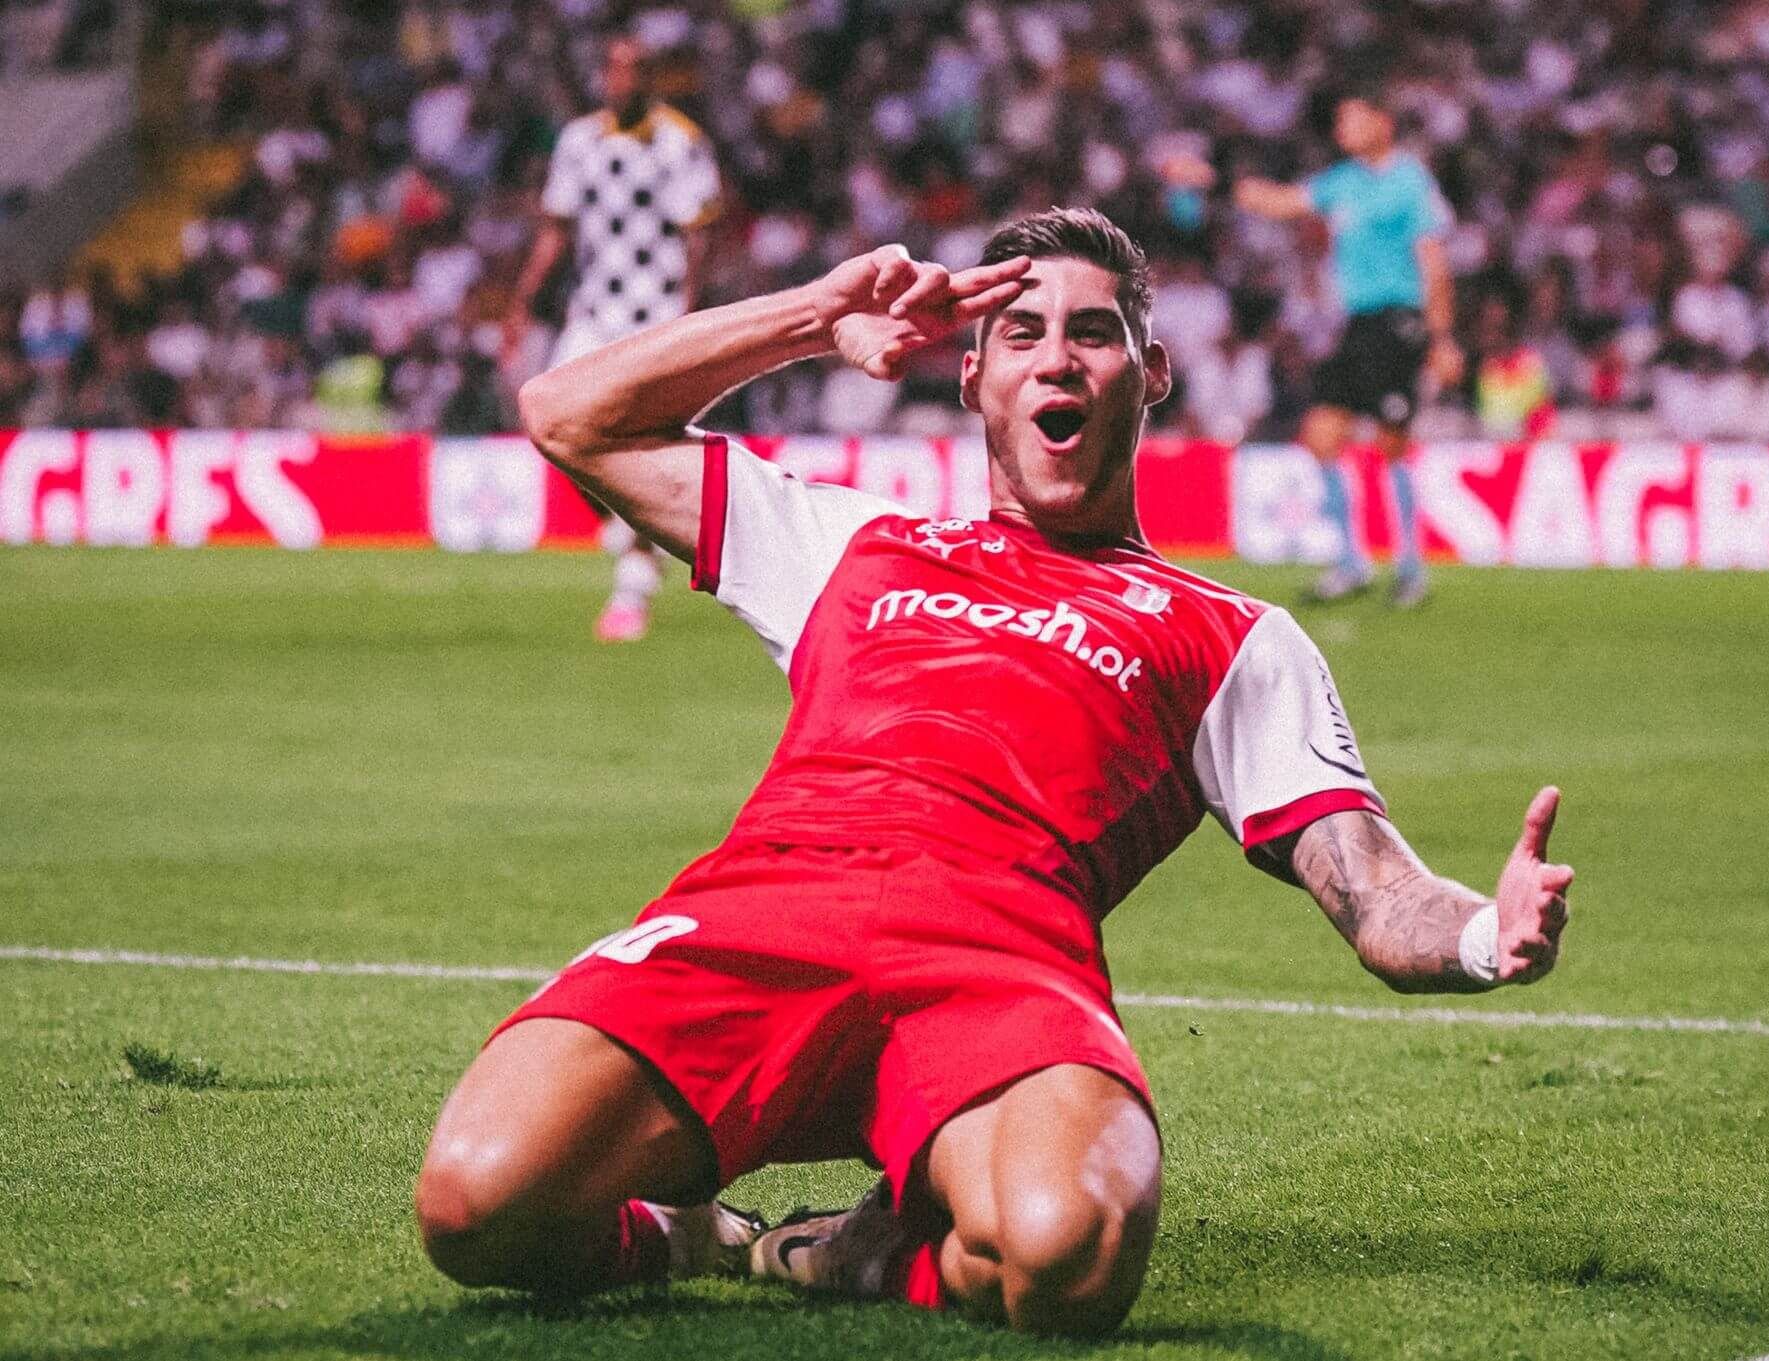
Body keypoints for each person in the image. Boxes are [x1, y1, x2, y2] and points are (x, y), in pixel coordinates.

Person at [415, 209, 1574, 1336]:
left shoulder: (1229, 632)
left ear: (1148, 370)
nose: (1055, 356)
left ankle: (858, 1247)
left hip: (999, 965)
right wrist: (816, 317)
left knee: (1068, 1255)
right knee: (472, 1202)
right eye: (1020, 332)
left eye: (1091, 331)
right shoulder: (853, 544)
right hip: (759, 917)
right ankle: (685, 1235)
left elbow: (1374, 891)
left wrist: (1484, 933)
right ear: (970, 377)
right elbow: (569, 414)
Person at [1175, 93, 1462, 607]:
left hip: (1398, 321)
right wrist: (1213, 181)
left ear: (1383, 122)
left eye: (1354, 117)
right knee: (1322, 435)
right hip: (1356, 326)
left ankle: (1411, 567)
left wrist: (1441, 337)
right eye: (1340, 119)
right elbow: (1279, 201)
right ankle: (1353, 562)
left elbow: (1434, 263)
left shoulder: (1409, 181)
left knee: (1391, 442)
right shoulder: (1343, 183)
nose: (1344, 128)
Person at [508, 33, 721, 643]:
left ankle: (632, 588)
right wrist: (521, 304)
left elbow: (699, 236)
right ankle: (626, 526)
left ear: (650, 78)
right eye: (612, 69)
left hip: (653, 316)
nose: (619, 80)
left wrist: (688, 320)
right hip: (593, 313)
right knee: (547, 420)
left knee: (633, 444)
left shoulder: (679, 141)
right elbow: (556, 228)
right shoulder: (580, 141)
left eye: (632, 70)